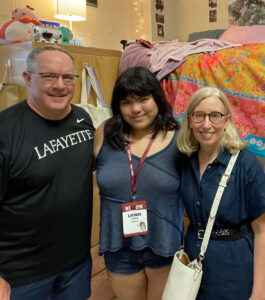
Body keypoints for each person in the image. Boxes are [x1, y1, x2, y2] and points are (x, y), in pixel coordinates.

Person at [0, 45, 95, 300]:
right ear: (28, 78)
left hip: (76, 265)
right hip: (21, 276)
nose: (60, 85)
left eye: (68, 77)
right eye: (49, 76)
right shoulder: (5, 132)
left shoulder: (83, 120)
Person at [94, 66, 183, 300]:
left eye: (143, 99)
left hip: (164, 244)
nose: (136, 109)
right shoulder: (105, 132)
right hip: (118, 246)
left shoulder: (180, 135)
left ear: (157, 98)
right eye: (127, 102)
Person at [177, 87, 265, 300]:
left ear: (227, 120)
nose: (206, 124)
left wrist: (260, 292)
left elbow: (262, 230)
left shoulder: (246, 164)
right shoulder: (184, 160)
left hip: (233, 271)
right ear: (189, 120)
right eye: (199, 116)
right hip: (192, 269)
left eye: (215, 116)